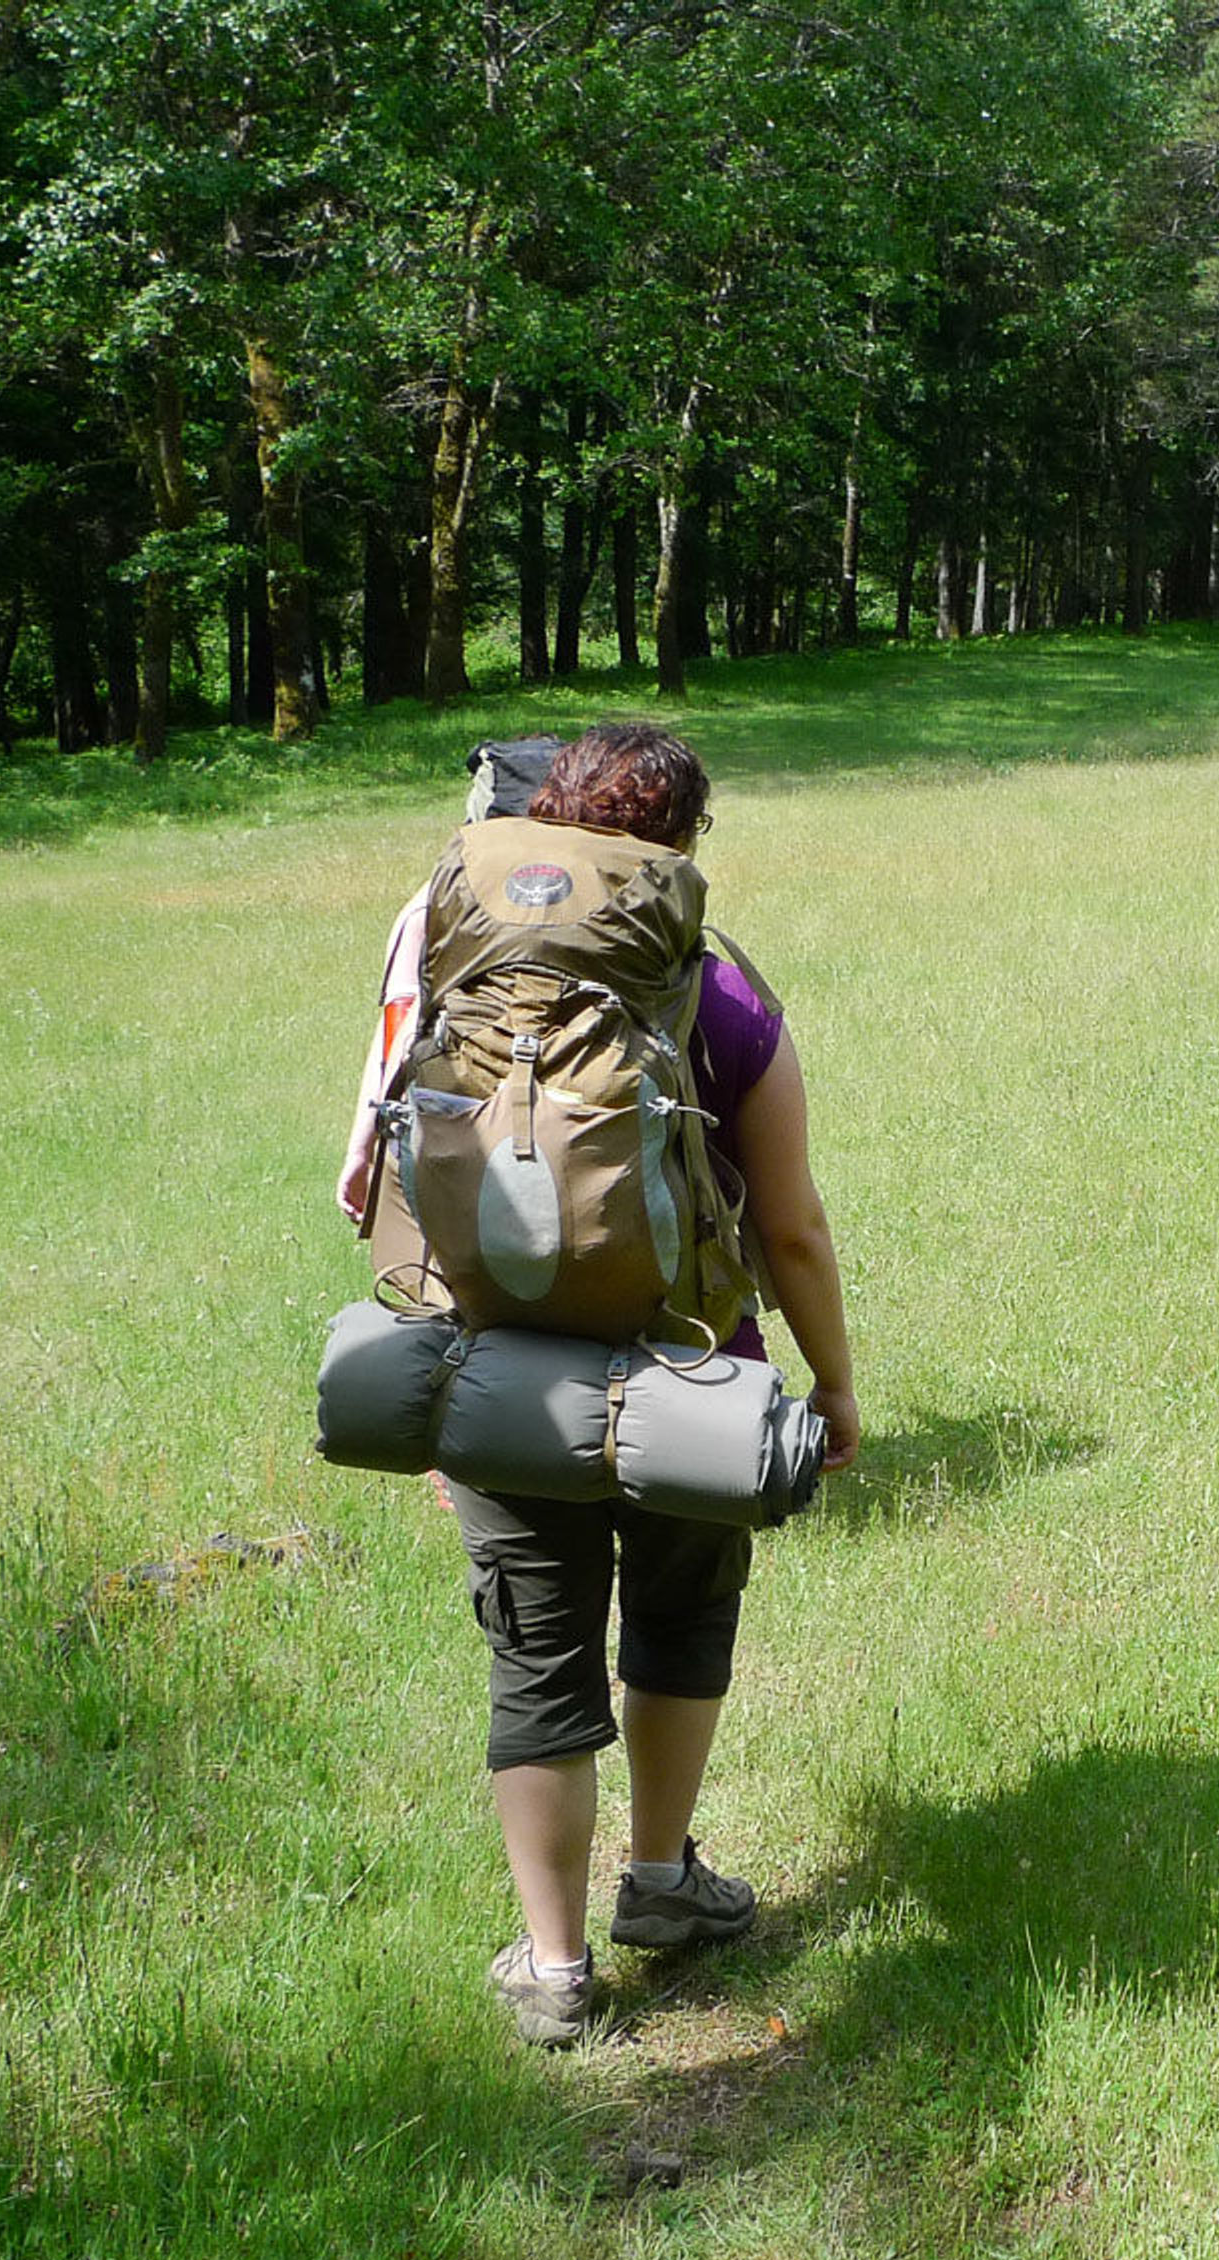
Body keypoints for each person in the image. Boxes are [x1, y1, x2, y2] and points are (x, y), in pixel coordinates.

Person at [336, 721, 860, 2049]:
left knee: (535, 1657)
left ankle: (557, 1969)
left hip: (502, 1372)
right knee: (680, 1625)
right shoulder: (722, 995)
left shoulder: (464, 964)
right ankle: (665, 1880)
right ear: (679, 847)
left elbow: (403, 1164)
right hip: (692, 1379)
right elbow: (790, 1225)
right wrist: (835, 1388)